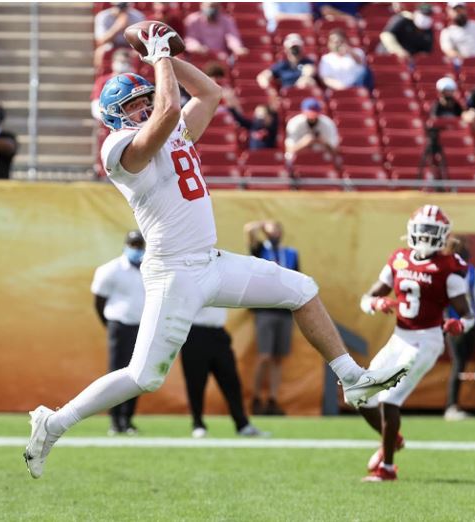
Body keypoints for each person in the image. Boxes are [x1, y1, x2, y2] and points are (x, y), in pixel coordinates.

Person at [24, 23, 408, 479]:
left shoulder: (168, 128)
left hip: (210, 261)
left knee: (302, 290)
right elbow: (167, 111)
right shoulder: (119, 148)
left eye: (145, 98)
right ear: (113, 116)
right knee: (144, 377)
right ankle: (54, 422)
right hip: (173, 273)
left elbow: (209, 94)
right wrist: (159, 56)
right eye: (132, 105)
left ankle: (351, 379)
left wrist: (161, 57)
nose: (144, 107)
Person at [358, 205, 474, 482]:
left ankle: (386, 468)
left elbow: (468, 315)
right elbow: (367, 298)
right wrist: (376, 302)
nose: (425, 235)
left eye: (431, 231)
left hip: (427, 340)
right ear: (411, 230)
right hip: (400, 337)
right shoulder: (398, 259)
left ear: (442, 235)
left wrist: (459, 324)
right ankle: (392, 438)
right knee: (360, 392)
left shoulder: (448, 267)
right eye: (422, 229)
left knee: (389, 398)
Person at [91, 231, 146, 435]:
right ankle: (115, 421)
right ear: (125, 245)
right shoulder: (111, 269)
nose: (136, 248)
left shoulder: (150, 269)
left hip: (142, 327)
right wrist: (109, 324)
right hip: (119, 324)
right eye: (133, 244)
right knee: (116, 373)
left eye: (139, 244)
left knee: (138, 374)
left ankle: (128, 419)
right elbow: (99, 301)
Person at [181, 306, 266, 437]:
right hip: (194, 332)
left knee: (231, 381)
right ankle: (198, 423)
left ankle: (242, 425)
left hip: (218, 332)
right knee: (195, 382)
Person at [244, 220, 300, 416]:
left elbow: (297, 279)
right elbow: (249, 231)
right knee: (264, 356)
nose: (275, 233)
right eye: (272, 230)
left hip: (284, 310)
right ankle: (256, 398)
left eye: (277, 229)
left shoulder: (291, 253)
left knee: (278, 359)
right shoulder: (261, 250)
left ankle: (273, 399)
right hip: (265, 310)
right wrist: (261, 225)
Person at [444, 235, 475, 421]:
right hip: (455, 324)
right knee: (458, 364)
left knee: (463, 364)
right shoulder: (447, 270)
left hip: (470, 323)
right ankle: (451, 406)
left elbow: (472, 297)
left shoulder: (470, 269)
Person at [93, 2, 145, 71]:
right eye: (119, 6)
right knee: (101, 51)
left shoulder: (137, 16)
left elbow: (141, 41)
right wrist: (118, 27)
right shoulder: (103, 16)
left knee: (141, 52)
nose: (122, 10)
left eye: (124, 7)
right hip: (112, 45)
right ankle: (102, 75)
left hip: (131, 46)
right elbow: (101, 41)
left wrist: (127, 27)